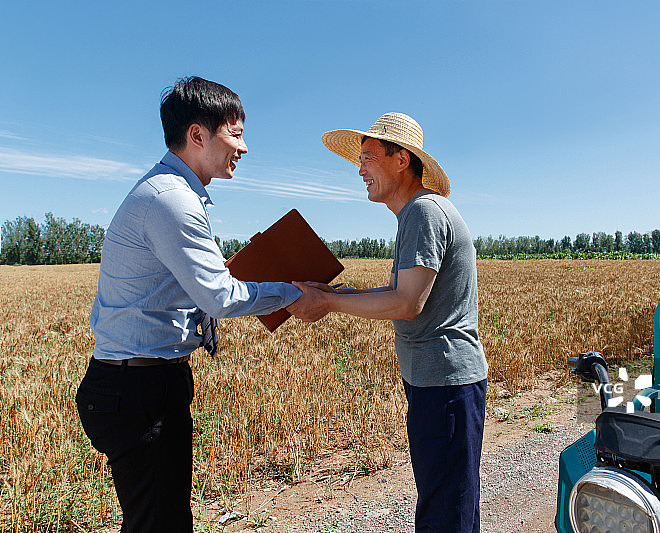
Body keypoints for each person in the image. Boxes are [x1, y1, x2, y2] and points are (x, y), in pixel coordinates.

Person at [75, 76, 321, 532]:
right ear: (197, 135)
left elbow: (191, 285)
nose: (243, 148)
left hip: (141, 381)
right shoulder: (173, 200)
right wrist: (295, 292)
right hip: (138, 390)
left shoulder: (170, 192)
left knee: (160, 518)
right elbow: (219, 297)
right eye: (236, 133)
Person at [291, 112, 489, 532]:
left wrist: (327, 302)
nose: (359, 169)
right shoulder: (412, 215)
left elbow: (406, 302)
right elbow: (398, 294)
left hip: (446, 382)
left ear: (402, 159)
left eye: (367, 158)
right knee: (444, 499)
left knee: (445, 510)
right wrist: (331, 295)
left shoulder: (424, 212)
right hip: (434, 381)